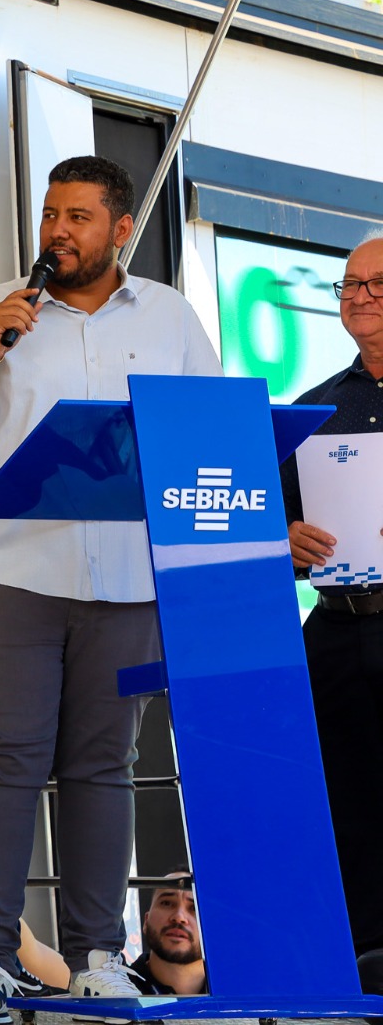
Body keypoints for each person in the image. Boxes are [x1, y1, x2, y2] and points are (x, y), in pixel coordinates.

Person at [0, 155, 222, 1025]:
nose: (57, 231)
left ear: (120, 228)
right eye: (51, 214)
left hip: (126, 577)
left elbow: (209, 430)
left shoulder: (169, 316)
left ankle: (96, 958)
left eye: (78, 217)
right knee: (1, 759)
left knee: (103, 766)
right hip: (15, 571)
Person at [280, 234, 383, 975]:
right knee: (343, 799)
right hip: (337, 628)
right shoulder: (314, 408)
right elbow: (267, 516)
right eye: (349, 285)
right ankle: (365, 962)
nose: (359, 297)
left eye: (377, 284)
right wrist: (283, 538)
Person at [128, 884, 205, 996]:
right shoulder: (107, 993)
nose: (179, 917)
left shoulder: (232, 990)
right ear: (146, 921)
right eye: (166, 903)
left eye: (194, 908)